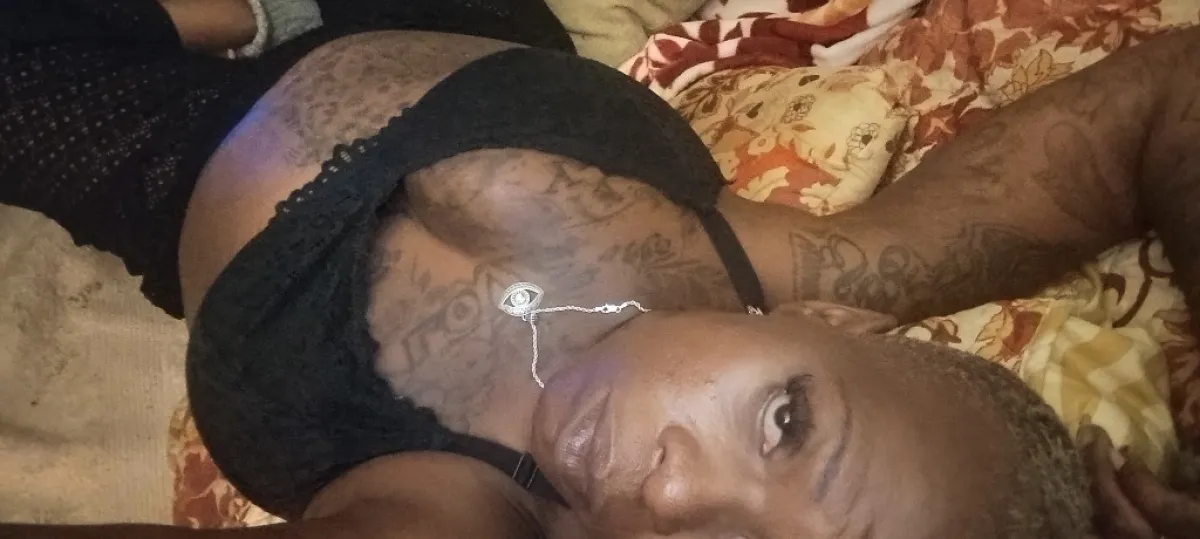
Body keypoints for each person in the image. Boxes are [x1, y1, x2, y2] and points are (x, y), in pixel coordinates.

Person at [1, 1, 1199, 538]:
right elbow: (1172, 95)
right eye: (785, 423)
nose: (671, 500)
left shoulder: (462, 511)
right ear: (844, 321)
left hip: (165, 157)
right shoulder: (831, 265)